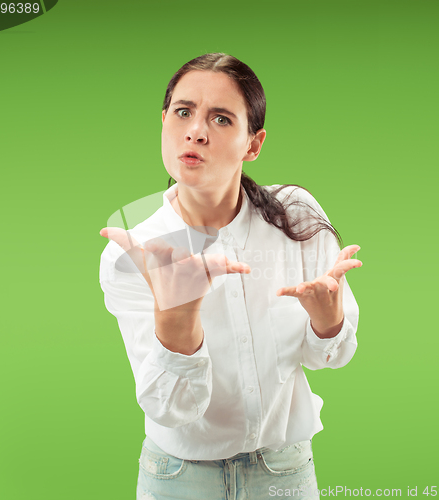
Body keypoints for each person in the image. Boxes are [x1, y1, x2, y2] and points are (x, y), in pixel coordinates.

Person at [99, 53, 362, 500]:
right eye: (183, 112)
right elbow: (171, 410)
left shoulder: (294, 217)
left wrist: (328, 320)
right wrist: (178, 321)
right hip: (179, 478)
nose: (196, 131)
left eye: (221, 119)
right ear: (164, 122)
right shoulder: (137, 252)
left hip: (286, 473)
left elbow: (331, 357)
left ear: (253, 144)